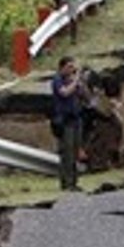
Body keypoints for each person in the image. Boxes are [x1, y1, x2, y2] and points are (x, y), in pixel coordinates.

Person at [51, 56, 88, 191]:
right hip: (64, 121)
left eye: (73, 67)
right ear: (62, 67)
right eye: (69, 67)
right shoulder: (57, 80)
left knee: (76, 152)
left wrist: (80, 83)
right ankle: (66, 184)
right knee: (67, 153)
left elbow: (85, 96)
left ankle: (74, 182)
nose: (72, 70)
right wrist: (75, 81)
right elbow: (64, 93)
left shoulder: (73, 80)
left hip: (76, 119)